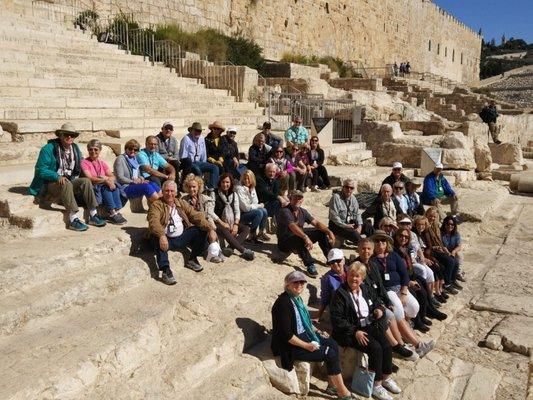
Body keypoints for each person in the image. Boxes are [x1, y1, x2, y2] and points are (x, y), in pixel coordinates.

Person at [271, 271, 356, 400]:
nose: (299, 284)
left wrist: (318, 331)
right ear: (287, 284)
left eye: (302, 282)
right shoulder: (283, 304)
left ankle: (332, 385)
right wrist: (307, 346)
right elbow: (287, 335)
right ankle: (343, 392)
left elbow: (303, 321)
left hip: (303, 335)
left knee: (332, 343)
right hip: (290, 346)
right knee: (330, 353)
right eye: (295, 282)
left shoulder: (296, 299)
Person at [330, 262, 401, 400]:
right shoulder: (340, 294)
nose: (354, 279)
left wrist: (379, 310)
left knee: (386, 345)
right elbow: (337, 320)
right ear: (347, 276)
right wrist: (355, 331)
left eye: (357, 276)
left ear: (362, 278)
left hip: (367, 325)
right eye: (351, 275)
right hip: (348, 332)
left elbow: (376, 302)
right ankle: (376, 385)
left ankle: (386, 378)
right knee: (375, 348)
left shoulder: (365, 289)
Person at [29, 123, 106, 231]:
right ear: (60, 135)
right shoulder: (48, 149)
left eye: (72, 135)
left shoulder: (74, 149)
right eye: (66, 134)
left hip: (68, 183)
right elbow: (40, 169)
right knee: (65, 182)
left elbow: (80, 165)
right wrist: (56, 176)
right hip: (49, 184)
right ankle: (73, 219)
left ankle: (93, 214)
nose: (69, 137)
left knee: (85, 181)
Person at [355, 239, 420, 361]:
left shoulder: (372, 265)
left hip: (377, 300)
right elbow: (363, 291)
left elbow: (380, 286)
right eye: (363, 248)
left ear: (372, 250)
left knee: (392, 309)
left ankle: (402, 345)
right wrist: (379, 304)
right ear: (358, 249)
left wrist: (387, 302)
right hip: (367, 303)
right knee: (389, 315)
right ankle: (399, 346)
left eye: (369, 249)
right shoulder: (357, 266)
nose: (366, 251)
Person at [148, 181, 217, 284]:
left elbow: (195, 215)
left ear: (176, 192)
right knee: (156, 237)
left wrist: (210, 228)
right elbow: (154, 222)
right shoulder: (156, 205)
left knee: (200, 230)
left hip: (180, 237)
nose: (169, 193)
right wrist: (162, 235)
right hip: (166, 239)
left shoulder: (180, 203)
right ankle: (166, 270)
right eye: (166, 191)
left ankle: (192, 259)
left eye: (172, 191)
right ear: (162, 192)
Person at [275, 190, 335, 277]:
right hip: (285, 242)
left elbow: (316, 223)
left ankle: (330, 259)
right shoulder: (285, 211)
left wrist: (329, 232)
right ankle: (310, 264)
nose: (297, 200)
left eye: (299, 198)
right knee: (299, 237)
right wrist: (306, 237)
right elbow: (292, 226)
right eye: (295, 198)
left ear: (302, 200)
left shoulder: (302, 211)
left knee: (320, 232)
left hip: (298, 237)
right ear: (290, 198)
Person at [181, 174, 225, 263]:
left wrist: (211, 228)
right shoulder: (184, 200)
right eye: (189, 187)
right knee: (201, 232)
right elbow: (184, 218)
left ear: (199, 187)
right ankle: (209, 256)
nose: (191, 189)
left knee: (211, 232)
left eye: (194, 187)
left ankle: (216, 251)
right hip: (191, 225)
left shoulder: (205, 199)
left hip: (204, 223)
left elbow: (208, 215)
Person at [81, 139, 126, 224]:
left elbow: (112, 176)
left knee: (114, 187)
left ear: (100, 150)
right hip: (91, 187)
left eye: (95, 149)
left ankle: (116, 210)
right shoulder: (84, 162)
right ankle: (112, 213)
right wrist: (105, 180)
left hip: (101, 185)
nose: (93, 151)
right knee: (106, 188)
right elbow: (89, 178)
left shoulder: (102, 163)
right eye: (90, 149)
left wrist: (110, 180)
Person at [214, 173, 254, 260]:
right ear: (220, 183)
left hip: (231, 222)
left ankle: (230, 248)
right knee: (224, 229)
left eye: (227, 182)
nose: (225, 184)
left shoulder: (234, 194)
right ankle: (243, 250)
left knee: (246, 228)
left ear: (231, 183)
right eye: (223, 182)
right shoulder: (214, 193)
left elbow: (237, 211)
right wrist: (222, 223)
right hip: (218, 222)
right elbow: (211, 212)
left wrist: (236, 224)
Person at [114, 139, 162, 207]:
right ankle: (161, 207)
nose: (133, 151)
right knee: (146, 187)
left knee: (152, 184)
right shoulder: (120, 159)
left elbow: (139, 174)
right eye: (130, 149)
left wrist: (142, 179)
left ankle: (162, 205)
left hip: (135, 184)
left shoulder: (134, 159)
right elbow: (120, 178)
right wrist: (133, 182)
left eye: (135, 150)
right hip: (125, 187)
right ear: (126, 149)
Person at [424, 208, 461, 294]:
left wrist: (443, 248)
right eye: (430, 216)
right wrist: (437, 247)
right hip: (431, 251)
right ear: (426, 215)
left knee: (455, 261)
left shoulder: (435, 225)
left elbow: (439, 240)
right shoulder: (426, 226)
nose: (432, 218)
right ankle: (447, 284)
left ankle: (452, 280)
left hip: (438, 249)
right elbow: (428, 243)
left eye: (434, 217)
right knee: (450, 261)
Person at [179, 122, 219, 189]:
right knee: (197, 169)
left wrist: (204, 164)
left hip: (199, 162)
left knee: (215, 168)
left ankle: (211, 188)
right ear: (192, 130)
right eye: (196, 130)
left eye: (199, 131)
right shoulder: (186, 139)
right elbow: (183, 156)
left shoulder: (202, 138)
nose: (198, 132)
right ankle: (201, 188)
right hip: (190, 163)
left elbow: (203, 154)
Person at [236, 170, 270, 243]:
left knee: (264, 210)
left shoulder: (252, 188)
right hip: (241, 215)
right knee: (259, 212)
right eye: (245, 179)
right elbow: (245, 208)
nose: (246, 181)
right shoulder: (240, 189)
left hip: (248, 212)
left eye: (248, 178)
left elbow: (255, 201)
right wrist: (257, 205)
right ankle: (251, 235)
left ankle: (261, 232)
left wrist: (256, 205)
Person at [155, 121, 192, 188]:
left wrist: (175, 158)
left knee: (187, 161)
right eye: (166, 128)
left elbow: (176, 153)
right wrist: (168, 158)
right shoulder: (156, 139)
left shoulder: (173, 140)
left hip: (173, 160)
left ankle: (184, 184)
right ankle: (176, 187)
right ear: (162, 129)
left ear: (172, 131)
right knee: (175, 163)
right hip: (162, 162)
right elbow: (156, 154)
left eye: (170, 129)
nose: (168, 130)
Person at [328, 179, 363, 246]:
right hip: (337, 225)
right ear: (343, 187)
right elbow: (334, 217)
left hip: (349, 222)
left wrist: (360, 226)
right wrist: (346, 225)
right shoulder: (336, 198)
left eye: (351, 188)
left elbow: (357, 213)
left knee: (367, 226)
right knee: (353, 233)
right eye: (347, 187)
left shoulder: (353, 198)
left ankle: (376, 243)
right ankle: (364, 246)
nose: (349, 189)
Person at [316, 248, 347, 321]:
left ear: (344, 260)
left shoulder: (352, 271)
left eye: (338, 260)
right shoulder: (327, 278)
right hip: (339, 309)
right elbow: (325, 297)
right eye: (332, 262)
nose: (335, 264)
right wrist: (318, 316)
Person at [441, 215, 465, 282]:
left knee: (459, 255)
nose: (450, 226)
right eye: (448, 224)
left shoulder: (456, 234)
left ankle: (458, 273)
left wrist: (454, 251)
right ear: (444, 224)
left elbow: (459, 246)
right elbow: (441, 245)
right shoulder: (441, 233)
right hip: (444, 251)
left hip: (452, 250)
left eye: (452, 224)